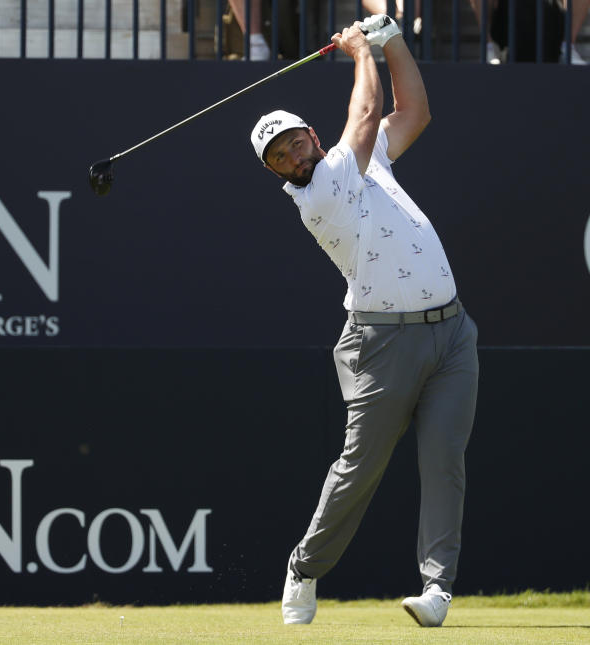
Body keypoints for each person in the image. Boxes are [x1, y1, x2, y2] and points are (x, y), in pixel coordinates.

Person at [248, 15, 479, 627]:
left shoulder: (362, 159)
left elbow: (414, 112)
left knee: (443, 460)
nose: (292, 152)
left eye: (295, 140)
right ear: (275, 174)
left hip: (452, 332)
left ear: (310, 135)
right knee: (361, 469)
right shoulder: (319, 191)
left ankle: (437, 590)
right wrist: (359, 52)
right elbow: (370, 109)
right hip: (383, 340)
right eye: (279, 154)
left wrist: (392, 38)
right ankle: (303, 567)